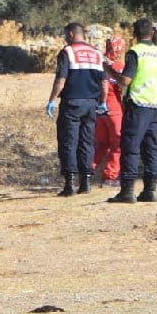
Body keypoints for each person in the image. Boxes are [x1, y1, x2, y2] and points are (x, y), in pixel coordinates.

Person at [107, 18, 157, 204]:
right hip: (155, 105)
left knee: (130, 147)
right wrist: (152, 88)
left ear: (134, 34)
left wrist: (109, 71)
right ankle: (150, 190)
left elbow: (125, 81)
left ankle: (127, 191)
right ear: (152, 33)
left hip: (137, 105)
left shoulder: (135, 52)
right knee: (151, 148)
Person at [45, 23, 108, 196]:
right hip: (91, 104)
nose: (65, 38)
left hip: (72, 103)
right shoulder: (96, 53)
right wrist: (102, 102)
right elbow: (104, 81)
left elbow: (61, 79)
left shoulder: (67, 52)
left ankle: (69, 184)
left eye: (66, 35)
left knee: (68, 141)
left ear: (71, 34)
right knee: (87, 142)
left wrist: (51, 100)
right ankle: (86, 182)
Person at [93, 34, 128, 186]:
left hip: (99, 110)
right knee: (117, 145)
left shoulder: (98, 64)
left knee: (101, 144)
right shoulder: (121, 67)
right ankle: (110, 177)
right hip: (115, 110)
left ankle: (86, 171)